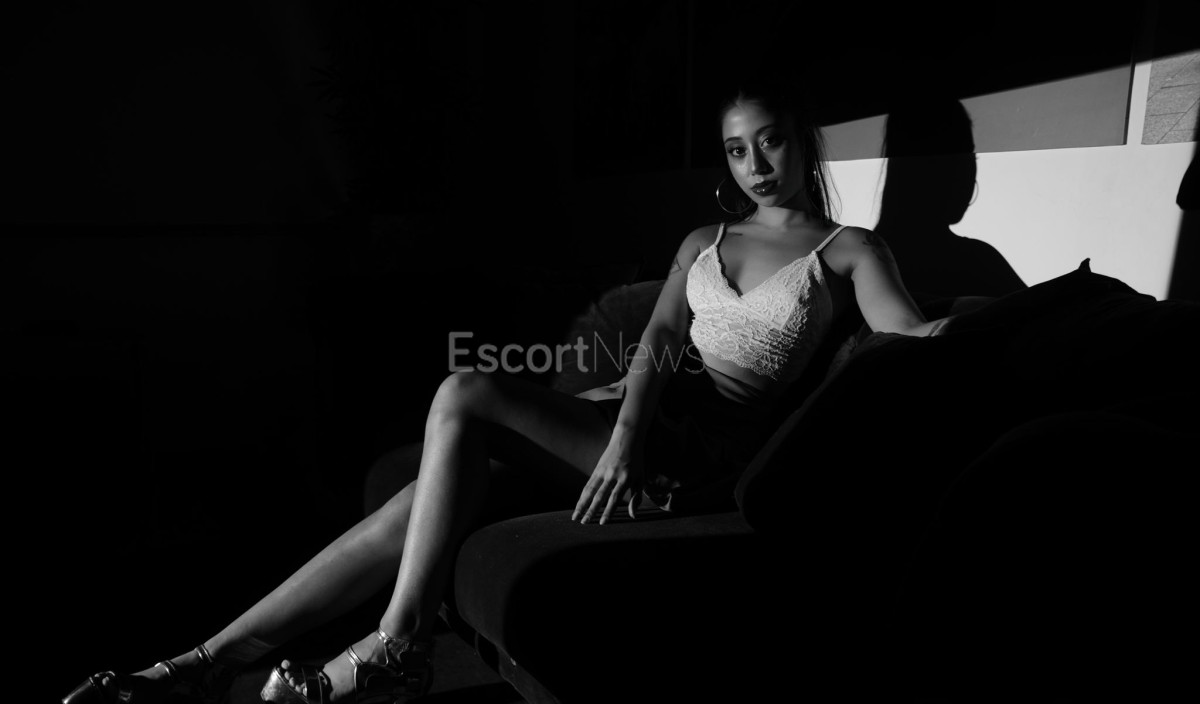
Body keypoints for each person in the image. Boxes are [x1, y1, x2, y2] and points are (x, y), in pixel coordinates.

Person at [63, 76, 952, 704]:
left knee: (465, 391)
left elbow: (911, 336)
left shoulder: (849, 250)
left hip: (699, 457)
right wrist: (621, 425)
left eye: (771, 140)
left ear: (802, 138)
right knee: (420, 497)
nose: (756, 162)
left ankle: (398, 644)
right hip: (631, 423)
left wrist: (991, 325)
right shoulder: (703, 240)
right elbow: (656, 344)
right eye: (736, 148)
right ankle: (201, 661)